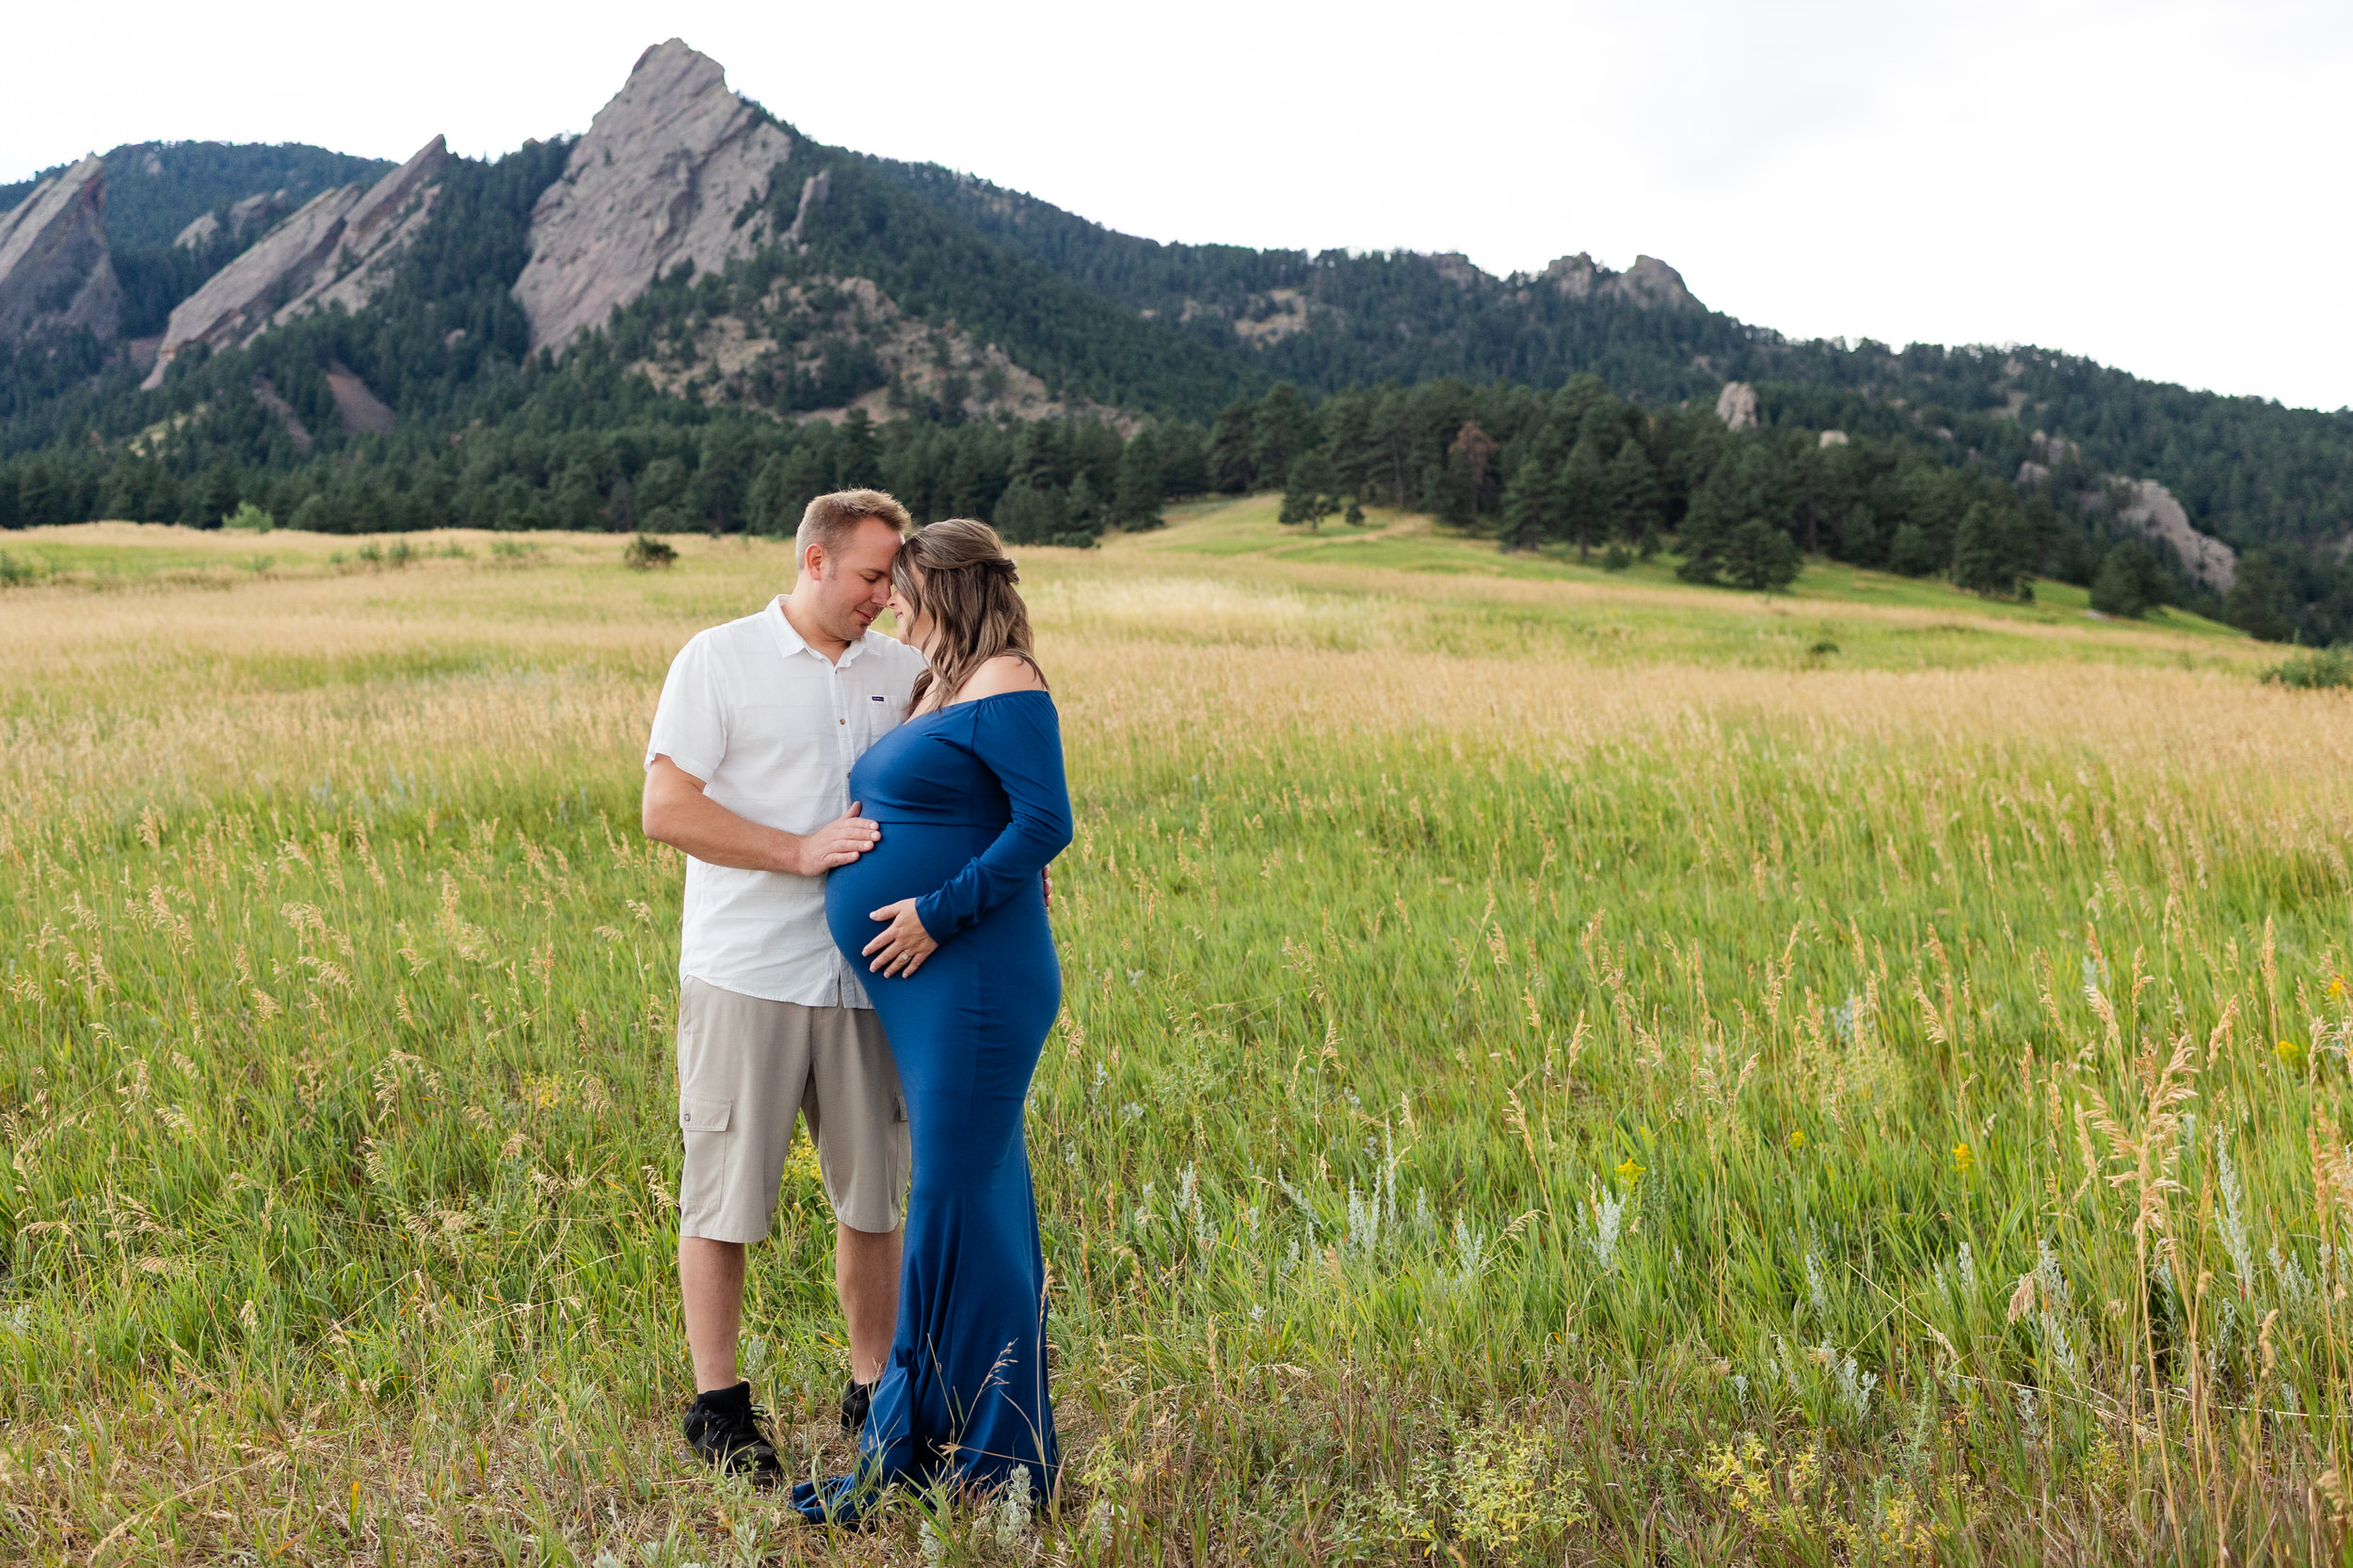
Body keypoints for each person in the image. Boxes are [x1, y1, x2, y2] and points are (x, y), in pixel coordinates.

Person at [640, 489, 926, 1487]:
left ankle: (873, 1390)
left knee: (872, 1195)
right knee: (724, 1195)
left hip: (871, 974)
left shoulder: (907, 670)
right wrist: (797, 851)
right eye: (869, 575)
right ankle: (718, 1408)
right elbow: (665, 807)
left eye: (892, 576)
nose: (885, 596)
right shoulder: (717, 659)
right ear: (814, 561)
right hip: (746, 972)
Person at [795, 518, 1074, 1522]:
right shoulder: (940, 680)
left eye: (905, 586)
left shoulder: (1007, 677)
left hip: (975, 974)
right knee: (978, 1192)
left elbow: (1046, 823)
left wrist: (934, 912)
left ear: (946, 586)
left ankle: (983, 1455)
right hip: (928, 980)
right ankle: (969, 1433)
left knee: (956, 1195)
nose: (893, 604)